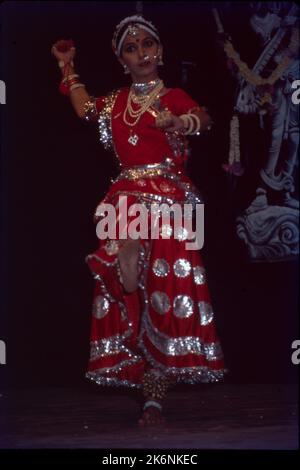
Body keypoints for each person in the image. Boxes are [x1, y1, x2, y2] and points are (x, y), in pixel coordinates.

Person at [51, 14, 226, 426]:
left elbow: (204, 118)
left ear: (160, 51)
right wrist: (66, 67)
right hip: (127, 192)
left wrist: (177, 122)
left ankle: (154, 397)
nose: (142, 53)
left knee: (163, 288)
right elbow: (84, 108)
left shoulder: (173, 96)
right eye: (132, 48)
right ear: (121, 59)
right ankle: (122, 257)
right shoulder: (115, 102)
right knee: (132, 275)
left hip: (167, 194)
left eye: (148, 44)